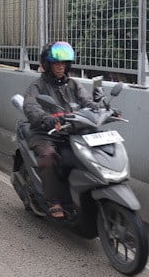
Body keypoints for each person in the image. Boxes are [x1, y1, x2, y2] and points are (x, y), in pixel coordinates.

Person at [23, 41, 99, 219]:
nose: (61, 67)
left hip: (70, 131)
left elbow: (87, 101)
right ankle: (53, 201)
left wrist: (103, 109)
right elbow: (31, 107)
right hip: (45, 133)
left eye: (64, 63)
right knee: (49, 156)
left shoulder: (73, 84)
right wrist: (47, 119)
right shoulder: (37, 86)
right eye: (56, 63)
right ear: (47, 65)